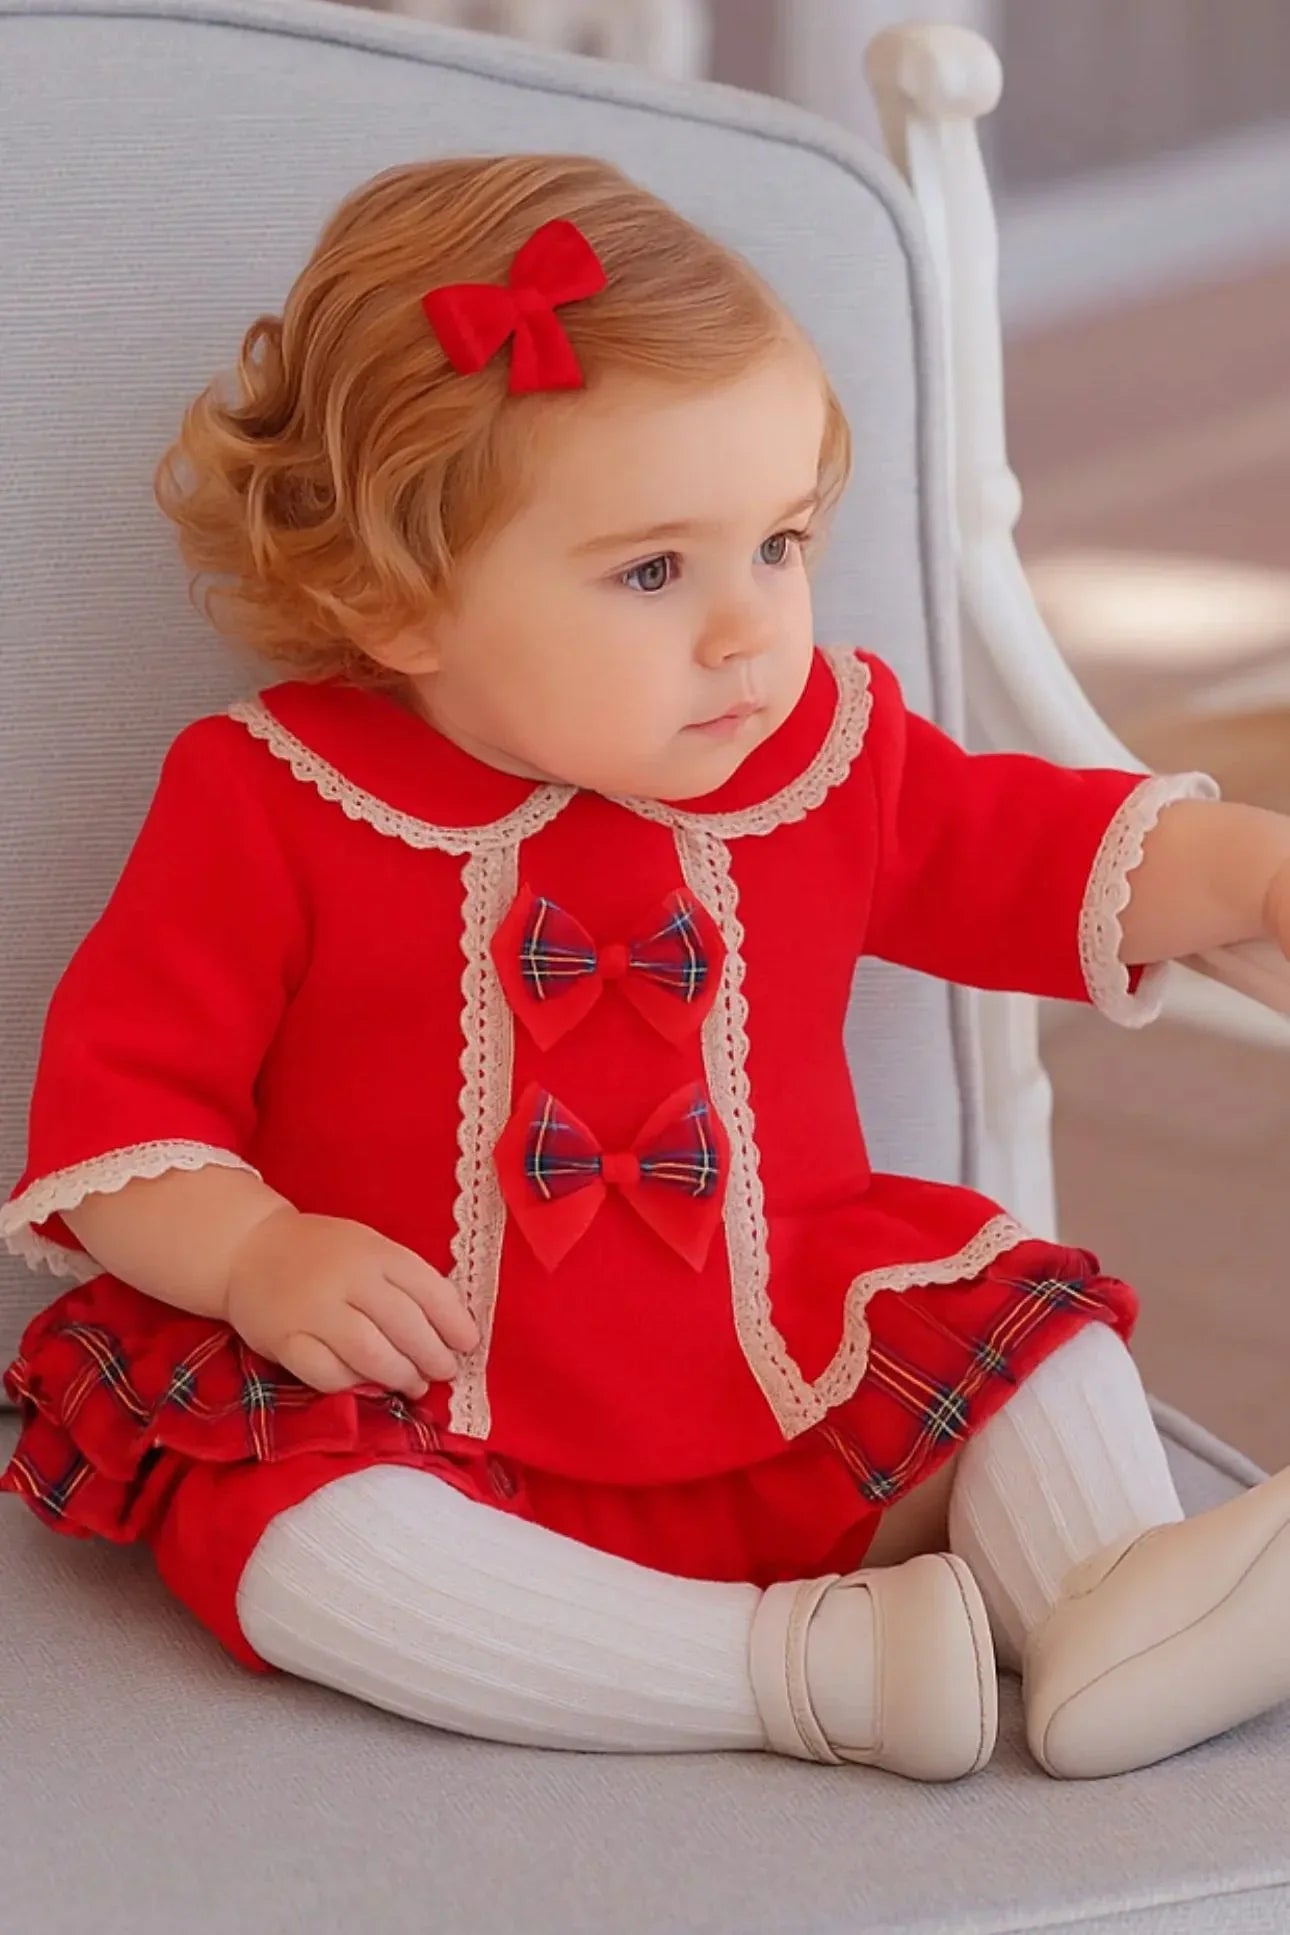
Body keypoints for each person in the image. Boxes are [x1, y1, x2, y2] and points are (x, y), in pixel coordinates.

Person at [5, 154, 1290, 1783]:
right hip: (423, 1399)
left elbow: (1039, 854)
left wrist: (1252, 866)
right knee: (304, 1549)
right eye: (652, 572)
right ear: (400, 603)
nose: (747, 629)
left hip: (802, 1371)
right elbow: (125, 1114)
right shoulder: (269, 797)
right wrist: (258, 1255)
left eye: (780, 543)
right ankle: (800, 1672)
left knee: (1038, 1346)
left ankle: (1109, 1610)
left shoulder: (826, 751)